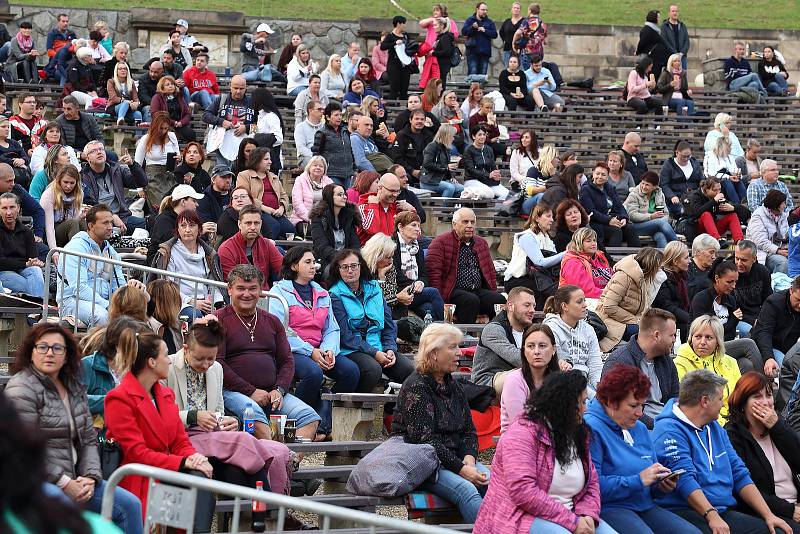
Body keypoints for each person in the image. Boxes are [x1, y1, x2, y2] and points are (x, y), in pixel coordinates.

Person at [6, 323, 143, 533]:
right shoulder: (21, 388)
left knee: (130, 506)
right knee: (62, 505)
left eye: (57, 348)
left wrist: (90, 477)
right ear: (31, 352)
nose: (49, 353)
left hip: (80, 479)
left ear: (67, 354)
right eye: (42, 347)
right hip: (41, 481)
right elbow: (25, 450)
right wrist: (64, 482)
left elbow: (88, 440)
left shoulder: (73, 387)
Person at [166, 317, 295, 497]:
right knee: (244, 441)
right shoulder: (168, 367)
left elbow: (218, 410)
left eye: (210, 359)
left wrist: (230, 421)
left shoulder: (216, 369)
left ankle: (267, 512)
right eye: (199, 359)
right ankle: (270, 508)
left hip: (212, 436)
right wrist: (193, 416)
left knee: (276, 451)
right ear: (185, 349)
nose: (205, 365)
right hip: (181, 438)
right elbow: (159, 416)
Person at [652, 369, 792, 534]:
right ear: (705, 401)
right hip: (686, 510)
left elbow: (739, 473)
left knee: (780, 530)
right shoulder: (668, 430)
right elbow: (685, 480)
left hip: (722, 510)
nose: (723, 404)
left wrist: (769, 515)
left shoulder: (714, 427)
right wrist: (711, 515)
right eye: (720, 399)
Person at [104, 325, 215, 531]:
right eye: (166, 354)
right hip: (139, 478)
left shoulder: (165, 395)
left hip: (166, 475)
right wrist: (184, 462)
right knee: (192, 480)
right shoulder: (119, 398)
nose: (170, 359)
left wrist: (196, 459)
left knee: (201, 479)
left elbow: (180, 441)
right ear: (151, 362)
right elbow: (137, 453)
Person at [474, 371, 614, 534]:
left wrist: (588, 514)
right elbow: (523, 491)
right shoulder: (521, 434)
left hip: (574, 515)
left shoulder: (578, 433)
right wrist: (573, 522)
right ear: (564, 404)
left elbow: (592, 483)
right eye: (582, 402)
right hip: (519, 517)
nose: (586, 408)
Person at [586, 364, 701, 533]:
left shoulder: (639, 428)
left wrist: (660, 485)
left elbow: (650, 478)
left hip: (644, 505)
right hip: (609, 507)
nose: (640, 413)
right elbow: (591, 486)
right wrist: (638, 480)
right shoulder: (591, 428)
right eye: (633, 406)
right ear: (611, 402)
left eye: (643, 406)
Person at [214, 264, 321, 441]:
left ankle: (289, 461)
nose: (246, 294)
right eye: (240, 288)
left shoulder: (272, 321)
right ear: (230, 290)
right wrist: (251, 391)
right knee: (254, 416)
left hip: (273, 393)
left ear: (262, 291)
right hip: (232, 392)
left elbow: (286, 360)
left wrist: (279, 389)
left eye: (252, 289)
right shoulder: (219, 320)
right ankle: (276, 460)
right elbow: (217, 363)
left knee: (309, 418)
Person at [394, 322, 488, 522]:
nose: (460, 352)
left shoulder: (452, 385)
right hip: (425, 465)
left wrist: (469, 458)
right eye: (452, 347)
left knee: (495, 485)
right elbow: (426, 442)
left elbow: (469, 431)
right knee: (468, 491)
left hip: (456, 460)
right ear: (434, 352)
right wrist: (463, 470)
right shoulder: (416, 386)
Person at [268, 247, 359, 438]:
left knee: (351, 372)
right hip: (292, 349)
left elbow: (331, 328)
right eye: (307, 262)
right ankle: (299, 420)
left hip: (319, 348)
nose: (313, 266)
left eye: (314, 262)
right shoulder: (279, 292)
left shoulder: (322, 293)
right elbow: (282, 330)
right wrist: (311, 351)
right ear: (294, 266)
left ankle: (323, 421)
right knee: (313, 373)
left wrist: (328, 351)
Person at [328, 249, 415, 391]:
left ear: (361, 266)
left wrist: (389, 349)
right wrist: (374, 353)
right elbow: (344, 336)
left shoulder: (375, 289)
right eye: (344, 267)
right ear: (338, 270)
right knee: (373, 370)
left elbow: (388, 325)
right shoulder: (334, 295)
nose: (350, 271)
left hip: (379, 346)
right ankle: (356, 407)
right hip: (351, 349)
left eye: (354, 266)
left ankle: (392, 409)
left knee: (409, 371)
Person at [725, 372, 800, 533]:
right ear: (742, 403)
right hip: (767, 511)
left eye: (769, 395)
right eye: (757, 397)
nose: (766, 402)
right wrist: (790, 510)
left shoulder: (779, 427)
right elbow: (745, 488)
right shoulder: (733, 436)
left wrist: (778, 427)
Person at [603, 308, 680, 428]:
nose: (674, 339)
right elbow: (619, 409)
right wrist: (660, 426)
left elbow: (676, 399)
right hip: (637, 429)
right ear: (657, 335)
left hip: (667, 427)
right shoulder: (619, 362)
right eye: (672, 335)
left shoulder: (667, 361)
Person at [427, 207, 505, 323]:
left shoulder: (481, 243)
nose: (470, 226)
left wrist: (492, 290)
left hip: (477, 290)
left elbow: (490, 272)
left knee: (499, 299)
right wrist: (440, 301)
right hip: (451, 291)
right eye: (465, 222)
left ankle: (493, 333)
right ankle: (466, 335)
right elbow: (434, 274)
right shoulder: (440, 242)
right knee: (470, 300)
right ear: (454, 224)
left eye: (472, 222)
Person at [58, 204, 126, 327]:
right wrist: (108, 305)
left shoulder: (111, 252)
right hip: (72, 301)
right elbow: (79, 289)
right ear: (90, 226)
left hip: (104, 301)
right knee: (101, 316)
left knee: (136, 316)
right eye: (105, 223)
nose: (110, 227)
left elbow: (119, 285)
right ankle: (94, 346)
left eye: (111, 222)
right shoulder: (75, 248)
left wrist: (124, 303)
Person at [691, 259, 764, 372]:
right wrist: (733, 320)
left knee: (746, 364)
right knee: (748, 344)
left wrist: (731, 325)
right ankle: (765, 383)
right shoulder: (701, 299)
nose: (734, 286)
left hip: (724, 345)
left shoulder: (730, 299)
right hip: (705, 347)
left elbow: (730, 333)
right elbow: (706, 333)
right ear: (717, 279)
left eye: (735, 282)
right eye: (729, 282)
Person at [150, 210, 225, 321]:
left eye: (192, 225)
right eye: (183, 226)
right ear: (177, 229)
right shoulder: (168, 253)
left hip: (206, 302)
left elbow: (213, 282)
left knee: (223, 316)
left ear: (199, 229)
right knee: (195, 316)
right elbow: (167, 286)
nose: (187, 230)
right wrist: (192, 301)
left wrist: (216, 301)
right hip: (178, 302)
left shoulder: (208, 253)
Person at [674, 315, 741, 423]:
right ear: (691, 339)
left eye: (709, 337)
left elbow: (740, 396)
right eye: (698, 336)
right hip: (706, 422)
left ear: (718, 341)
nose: (702, 342)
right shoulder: (680, 363)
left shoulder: (731, 362)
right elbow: (693, 405)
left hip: (734, 420)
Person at [472, 286, 537, 394]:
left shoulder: (531, 331)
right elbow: (516, 358)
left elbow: (550, 348)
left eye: (534, 306)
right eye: (527, 305)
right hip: (487, 385)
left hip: (516, 378)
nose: (532, 310)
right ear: (510, 306)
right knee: (520, 376)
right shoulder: (493, 329)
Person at [596, 249, 664, 352]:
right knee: (647, 334)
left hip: (627, 320)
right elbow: (609, 306)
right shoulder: (623, 276)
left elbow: (643, 307)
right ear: (652, 266)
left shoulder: (643, 278)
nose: (660, 271)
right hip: (609, 320)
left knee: (661, 328)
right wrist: (635, 320)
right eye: (658, 268)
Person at [499, 322, 560, 432]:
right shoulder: (515, 380)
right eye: (531, 346)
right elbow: (520, 424)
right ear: (523, 351)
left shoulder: (560, 380)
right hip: (519, 443)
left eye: (542, 346)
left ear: (553, 349)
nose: (536, 352)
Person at [542, 285, 603, 391]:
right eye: (579, 302)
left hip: (586, 383)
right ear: (564, 306)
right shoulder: (551, 328)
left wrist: (600, 388)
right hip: (564, 384)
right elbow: (560, 366)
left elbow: (595, 365)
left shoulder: (588, 329)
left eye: (584, 300)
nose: (585, 305)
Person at [80, 140, 147, 235]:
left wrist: (132, 165)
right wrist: (111, 216)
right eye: (93, 151)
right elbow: (90, 205)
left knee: (151, 224)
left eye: (101, 149)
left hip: (123, 218)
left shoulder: (116, 169)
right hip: (99, 220)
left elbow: (142, 182)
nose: (99, 152)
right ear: (88, 158)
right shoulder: (83, 177)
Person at [753, 278, 800, 407]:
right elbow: (763, 332)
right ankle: (784, 408)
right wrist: (769, 357)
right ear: (791, 291)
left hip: (792, 347)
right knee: (785, 368)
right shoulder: (774, 302)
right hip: (772, 345)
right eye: (798, 300)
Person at [504, 203, 564, 300]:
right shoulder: (527, 236)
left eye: (552, 217)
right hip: (518, 280)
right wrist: (565, 254)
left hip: (539, 278)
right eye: (548, 216)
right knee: (547, 292)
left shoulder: (548, 239)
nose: (552, 220)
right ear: (537, 218)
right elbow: (540, 262)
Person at [218, 205, 283, 289]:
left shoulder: (266, 244)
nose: (253, 227)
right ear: (239, 224)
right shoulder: (226, 248)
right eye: (248, 223)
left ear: (261, 224)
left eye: (256, 223)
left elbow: (284, 269)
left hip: (265, 295)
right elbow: (231, 282)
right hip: (240, 296)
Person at [235, 146, 294, 240]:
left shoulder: (274, 177)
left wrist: (282, 208)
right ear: (257, 160)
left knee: (290, 229)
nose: (270, 162)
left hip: (276, 212)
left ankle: (284, 252)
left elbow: (284, 196)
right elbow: (244, 196)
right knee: (274, 226)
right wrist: (264, 208)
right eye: (266, 159)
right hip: (257, 211)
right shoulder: (244, 175)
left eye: (270, 159)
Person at [582, 161, 640, 248]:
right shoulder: (586, 189)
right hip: (597, 223)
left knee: (630, 228)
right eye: (597, 174)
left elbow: (619, 206)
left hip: (612, 220)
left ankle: (637, 258)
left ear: (607, 176)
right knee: (616, 231)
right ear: (593, 174)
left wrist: (624, 217)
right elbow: (591, 211)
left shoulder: (609, 188)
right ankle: (613, 259)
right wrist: (609, 220)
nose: (600, 177)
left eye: (603, 175)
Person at [202, 75, 255, 167]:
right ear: (230, 87)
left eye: (241, 88)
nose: (238, 91)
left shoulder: (252, 102)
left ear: (246, 88)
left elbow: (260, 126)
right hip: (222, 144)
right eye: (235, 88)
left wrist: (246, 128)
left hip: (244, 147)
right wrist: (221, 122)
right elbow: (205, 116)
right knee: (223, 173)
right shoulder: (222, 99)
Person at [310, 183, 361, 273]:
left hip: (348, 260)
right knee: (334, 272)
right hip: (326, 260)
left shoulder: (349, 216)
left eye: (345, 194)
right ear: (330, 197)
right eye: (339, 194)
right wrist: (342, 260)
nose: (344, 197)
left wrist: (351, 260)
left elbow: (355, 243)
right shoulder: (318, 218)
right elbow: (322, 247)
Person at [0, 192, 44, 297]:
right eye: (4, 208)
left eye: (12, 207)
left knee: (36, 270)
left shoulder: (26, 231)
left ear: (18, 208)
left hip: (22, 269)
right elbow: (1, 262)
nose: (9, 212)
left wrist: (35, 262)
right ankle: (39, 308)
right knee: (28, 286)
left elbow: (32, 258)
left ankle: (37, 309)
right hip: (3, 271)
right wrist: (25, 264)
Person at [134, 113, 179, 208]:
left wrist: (179, 158)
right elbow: (137, 164)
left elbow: (178, 154)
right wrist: (139, 188)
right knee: (161, 205)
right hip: (152, 177)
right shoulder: (145, 139)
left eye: (166, 128)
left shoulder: (172, 136)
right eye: (161, 128)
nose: (163, 131)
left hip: (170, 175)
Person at [624, 171, 678, 248]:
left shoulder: (659, 195)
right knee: (660, 222)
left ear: (655, 186)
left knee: (660, 236)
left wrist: (661, 220)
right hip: (636, 226)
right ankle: (679, 246)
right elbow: (632, 215)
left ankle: (664, 259)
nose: (643, 186)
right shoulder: (634, 194)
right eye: (642, 183)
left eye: (647, 185)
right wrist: (650, 217)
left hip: (655, 226)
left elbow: (665, 213)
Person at [356, 172, 412, 245]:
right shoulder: (364, 206)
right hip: (370, 254)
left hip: (393, 253)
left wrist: (411, 210)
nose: (395, 195)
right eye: (392, 191)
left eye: (398, 191)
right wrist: (374, 206)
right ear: (380, 188)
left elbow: (413, 233)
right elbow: (373, 230)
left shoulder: (397, 208)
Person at [683, 177, 743, 243]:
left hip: (713, 227)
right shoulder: (695, 195)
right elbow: (697, 213)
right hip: (697, 228)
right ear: (706, 190)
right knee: (706, 214)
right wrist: (714, 201)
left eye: (719, 189)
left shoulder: (719, 195)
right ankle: (717, 240)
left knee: (733, 215)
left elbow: (744, 211)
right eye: (715, 190)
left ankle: (739, 241)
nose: (718, 192)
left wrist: (732, 208)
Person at [559, 227, 612, 300]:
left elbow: (612, 276)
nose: (593, 243)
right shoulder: (573, 262)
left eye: (594, 240)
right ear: (579, 243)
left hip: (605, 296)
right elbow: (584, 291)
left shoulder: (599, 257)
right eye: (588, 241)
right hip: (583, 301)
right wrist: (611, 295)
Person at [653, 241, 692, 341]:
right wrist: (689, 319)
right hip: (666, 320)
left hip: (682, 318)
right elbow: (667, 306)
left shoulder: (684, 276)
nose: (690, 261)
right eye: (686, 258)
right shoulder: (662, 278)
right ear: (675, 261)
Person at [41, 165, 85, 251]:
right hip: (50, 234)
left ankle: (89, 253)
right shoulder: (49, 194)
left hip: (67, 229)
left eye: (72, 183)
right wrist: (54, 251)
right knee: (73, 223)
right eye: (65, 182)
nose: (68, 186)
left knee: (83, 223)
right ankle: (75, 254)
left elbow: (74, 219)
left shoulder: (79, 193)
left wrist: (80, 216)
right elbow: (49, 228)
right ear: (59, 181)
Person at [733, 240, 774, 332]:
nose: (739, 264)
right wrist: (753, 321)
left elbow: (768, 300)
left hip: (759, 315)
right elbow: (731, 307)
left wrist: (763, 319)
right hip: (737, 318)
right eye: (737, 258)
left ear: (754, 259)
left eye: (744, 260)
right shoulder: (728, 272)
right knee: (754, 333)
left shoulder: (762, 272)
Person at [313, 102, 355, 188]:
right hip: (331, 174)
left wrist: (354, 169)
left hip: (348, 174)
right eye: (336, 115)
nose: (339, 117)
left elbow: (350, 151)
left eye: (340, 115)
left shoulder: (345, 132)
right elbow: (316, 155)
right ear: (328, 117)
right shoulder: (321, 133)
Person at [659, 140, 704, 219]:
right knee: (684, 211)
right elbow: (664, 184)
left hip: (693, 197)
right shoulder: (669, 164)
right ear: (677, 152)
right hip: (677, 199)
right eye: (683, 156)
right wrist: (672, 196)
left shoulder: (695, 163)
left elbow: (701, 180)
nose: (686, 159)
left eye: (688, 156)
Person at [747, 190, 789, 274]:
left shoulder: (783, 216)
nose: (785, 206)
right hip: (762, 253)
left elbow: (785, 236)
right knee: (783, 263)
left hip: (777, 250)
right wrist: (778, 250)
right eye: (783, 203)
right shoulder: (758, 216)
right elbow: (760, 242)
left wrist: (786, 248)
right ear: (776, 204)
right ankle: (777, 286)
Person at [463, 127, 509, 200]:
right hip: (472, 180)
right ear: (473, 136)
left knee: (506, 194)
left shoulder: (488, 149)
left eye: (484, 134)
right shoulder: (468, 150)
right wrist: (488, 175)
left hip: (487, 180)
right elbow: (471, 170)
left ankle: (497, 210)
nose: (482, 137)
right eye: (479, 135)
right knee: (489, 193)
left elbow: (493, 166)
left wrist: (496, 174)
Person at [419, 124, 463, 198]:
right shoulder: (432, 146)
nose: (453, 139)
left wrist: (451, 177)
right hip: (429, 181)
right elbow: (427, 164)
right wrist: (446, 167)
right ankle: (443, 208)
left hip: (440, 180)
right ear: (446, 136)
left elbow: (447, 167)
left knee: (461, 188)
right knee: (450, 188)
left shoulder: (446, 148)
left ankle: (449, 206)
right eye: (452, 136)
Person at [391, 110, 433, 186]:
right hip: (407, 172)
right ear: (410, 120)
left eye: (422, 119)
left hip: (425, 172)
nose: (419, 121)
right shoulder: (402, 135)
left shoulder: (429, 135)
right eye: (416, 119)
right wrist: (412, 171)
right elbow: (397, 158)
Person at [150, 75, 195, 142]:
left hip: (179, 125)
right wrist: (173, 122)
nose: (171, 86)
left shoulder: (179, 97)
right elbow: (155, 114)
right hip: (164, 125)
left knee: (191, 134)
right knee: (171, 134)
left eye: (172, 84)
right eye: (167, 85)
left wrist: (181, 122)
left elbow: (187, 114)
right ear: (162, 87)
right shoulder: (157, 97)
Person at [380, 16, 415, 100]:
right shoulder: (390, 36)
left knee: (405, 87)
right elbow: (383, 46)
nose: (405, 25)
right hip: (393, 65)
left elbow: (409, 47)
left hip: (405, 65)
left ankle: (404, 107)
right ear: (398, 24)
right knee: (394, 87)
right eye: (404, 23)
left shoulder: (406, 35)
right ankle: (392, 107)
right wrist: (394, 43)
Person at [461, 3, 497, 84]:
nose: (485, 12)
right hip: (472, 52)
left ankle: (481, 95)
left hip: (485, 53)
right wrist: (472, 27)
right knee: (472, 74)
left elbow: (495, 34)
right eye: (483, 10)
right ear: (477, 9)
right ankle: (472, 94)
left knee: (483, 76)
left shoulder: (489, 22)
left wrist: (485, 30)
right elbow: (464, 32)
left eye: (486, 10)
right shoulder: (470, 20)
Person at [635, 10, 669, 78]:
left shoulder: (655, 29)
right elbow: (642, 43)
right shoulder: (647, 29)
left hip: (656, 59)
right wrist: (638, 52)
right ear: (653, 18)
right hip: (651, 59)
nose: (659, 19)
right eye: (658, 17)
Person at [0, 118, 31, 188]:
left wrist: (22, 160)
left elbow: (25, 157)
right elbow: (2, 160)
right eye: (3, 127)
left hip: (23, 175)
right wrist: (15, 162)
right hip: (5, 179)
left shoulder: (14, 143)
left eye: (8, 127)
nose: (7, 129)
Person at [688, 233, 720, 299]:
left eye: (715, 253)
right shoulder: (687, 268)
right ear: (698, 252)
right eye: (711, 252)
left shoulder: (714, 268)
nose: (714, 257)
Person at [294, 100, 325, 169]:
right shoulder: (300, 127)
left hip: (322, 157)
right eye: (319, 109)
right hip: (305, 157)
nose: (322, 112)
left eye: (323, 109)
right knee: (315, 164)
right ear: (310, 110)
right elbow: (301, 148)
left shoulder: (325, 127)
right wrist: (316, 157)